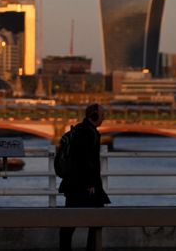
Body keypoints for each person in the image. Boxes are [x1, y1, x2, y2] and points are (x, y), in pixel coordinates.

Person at [59, 103, 110, 251]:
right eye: (102, 114)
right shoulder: (88, 133)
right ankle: (91, 247)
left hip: (72, 184)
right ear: (93, 116)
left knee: (70, 221)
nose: (104, 117)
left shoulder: (79, 130)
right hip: (84, 185)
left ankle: (66, 248)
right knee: (96, 218)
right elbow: (86, 161)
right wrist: (91, 184)